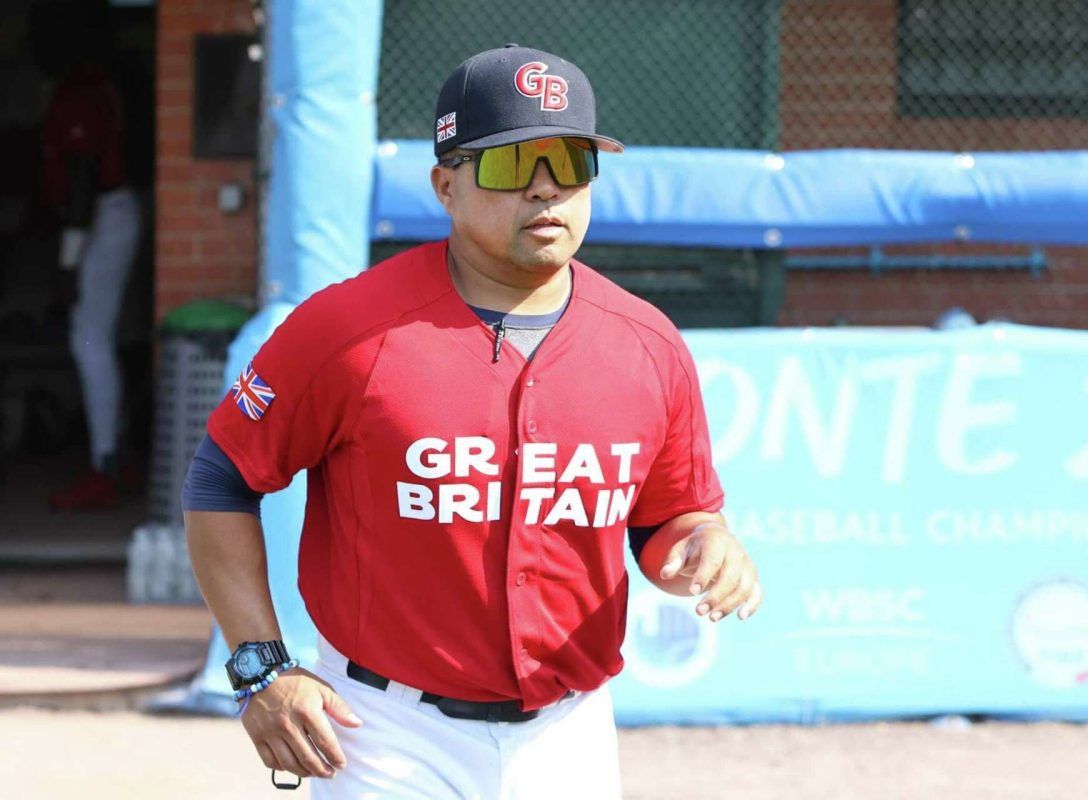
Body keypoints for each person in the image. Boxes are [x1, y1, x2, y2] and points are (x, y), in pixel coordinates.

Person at [182, 45, 762, 799]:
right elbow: (221, 478)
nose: (544, 187)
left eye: (570, 162)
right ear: (446, 186)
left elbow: (666, 519)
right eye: (510, 163)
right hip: (385, 731)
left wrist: (704, 541)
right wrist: (259, 668)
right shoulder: (348, 330)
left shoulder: (647, 342)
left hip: (569, 731)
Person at [32, 1, 142, 509]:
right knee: (102, 338)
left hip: (104, 215)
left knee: (89, 339)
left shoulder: (81, 91)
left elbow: (82, 180)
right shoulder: (85, 86)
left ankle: (105, 463)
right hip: (106, 214)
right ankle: (115, 453)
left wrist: (68, 263)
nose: (36, 48)